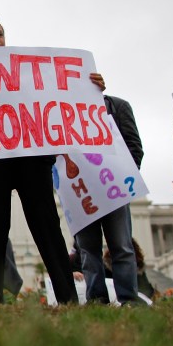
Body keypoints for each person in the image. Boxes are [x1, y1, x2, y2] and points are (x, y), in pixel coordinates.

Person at [0, 18, 78, 304]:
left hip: (30, 160)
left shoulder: (28, 73)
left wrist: (90, 85)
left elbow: (59, 97)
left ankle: (68, 297)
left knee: (47, 229)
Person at [74, 79, 145, 305]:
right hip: (80, 193)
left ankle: (129, 299)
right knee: (88, 249)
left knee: (121, 246)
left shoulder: (117, 106)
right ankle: (96, 300)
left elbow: (134, 146)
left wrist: (124, 179)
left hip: (113, 188)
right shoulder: (59, 115)